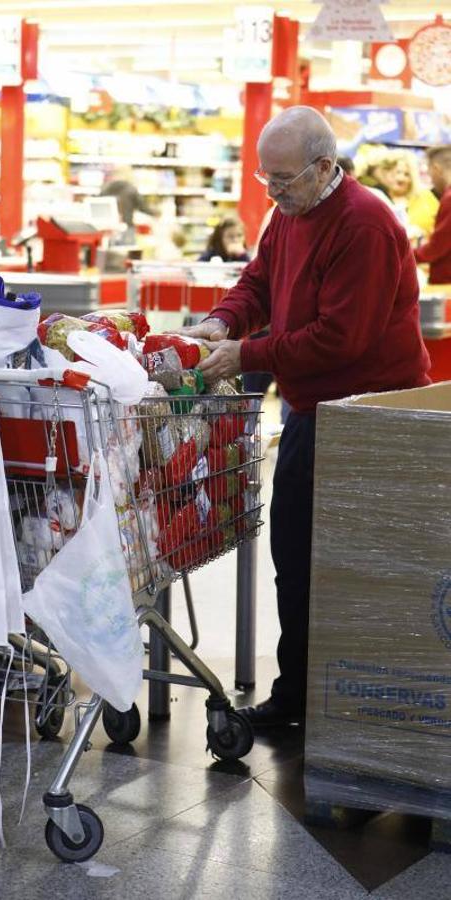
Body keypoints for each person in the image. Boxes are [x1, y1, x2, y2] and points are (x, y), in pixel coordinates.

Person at [182, 105, 431, 727]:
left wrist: (247, 353)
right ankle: (301, 694)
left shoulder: (365, 224)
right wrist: (223, 320)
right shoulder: (291, 212)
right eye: (266, 179)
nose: (273, 192)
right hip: (313, 407)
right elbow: (260, 282)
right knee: (296, 555)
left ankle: (348, 702)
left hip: (368, 419)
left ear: (325, 167)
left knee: (350, 565)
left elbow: (340, 339)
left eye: (283, 180)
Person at [414, 145, 451, 285]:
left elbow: (437, 247)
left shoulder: (449, 198)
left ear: (436, 169)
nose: (432, 182)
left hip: (446, 283)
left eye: (430, 175)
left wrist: (404, 255)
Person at [99, 166, 158, 244]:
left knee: (110, 252)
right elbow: (142, 207)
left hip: (109, 228)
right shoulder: (131, 189)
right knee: (128, 251)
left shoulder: (105, 189)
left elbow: (98, 204)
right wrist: (155, 213)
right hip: (127, 226)